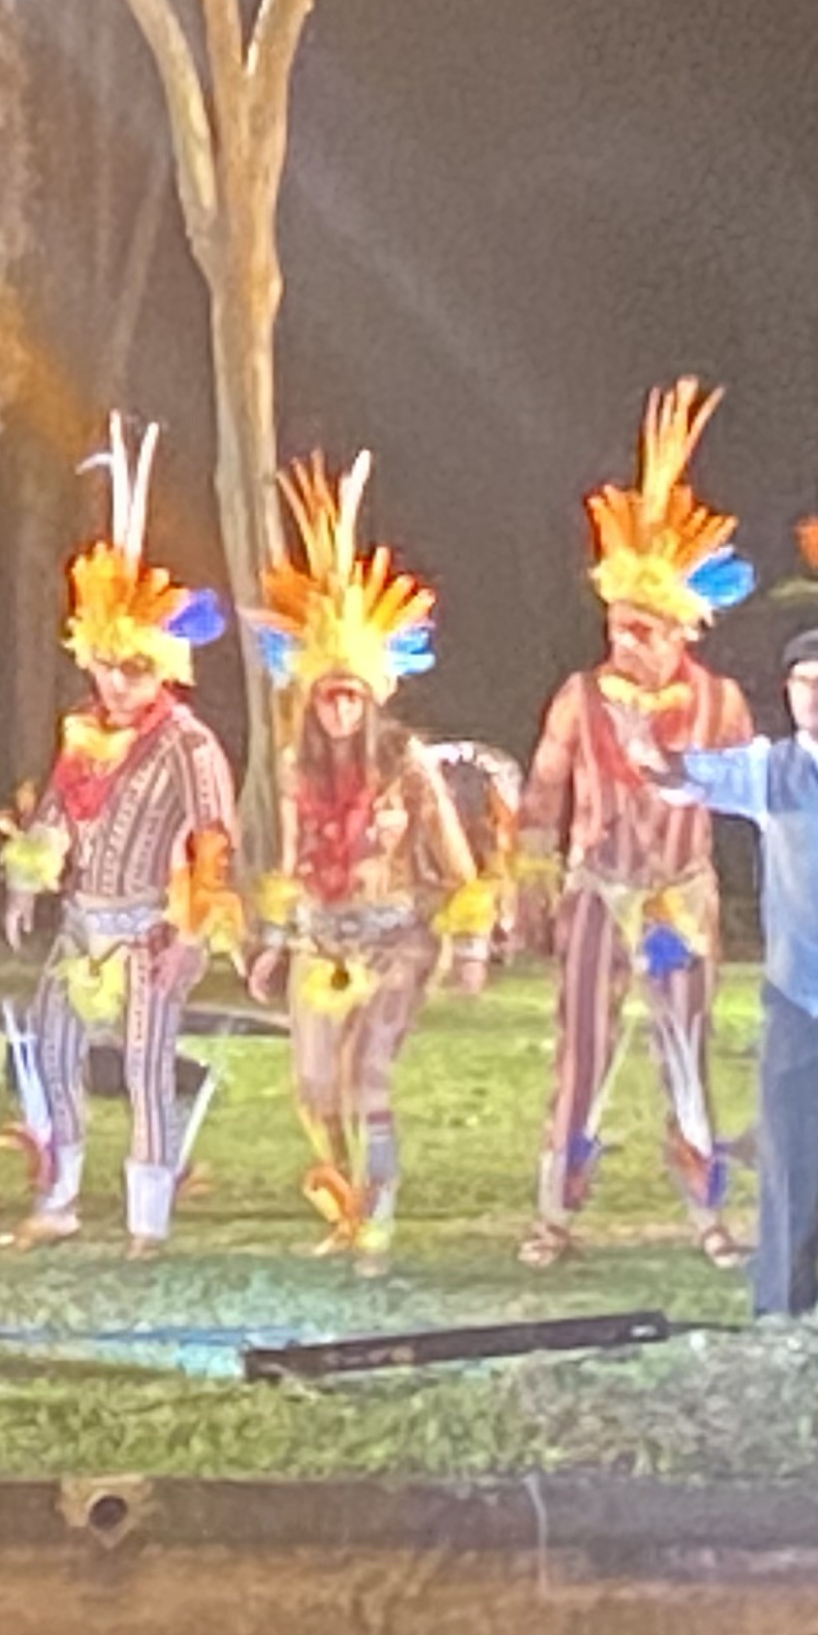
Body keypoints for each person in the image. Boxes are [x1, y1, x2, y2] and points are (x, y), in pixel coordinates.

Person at [515, 382, 757, 1267]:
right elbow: (543, 796)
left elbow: (751, 792)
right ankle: (554, 1215)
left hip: (678, 899)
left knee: (685, 1049)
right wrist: (528, 884)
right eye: (619, 627)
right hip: (596, 894)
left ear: (680, 632)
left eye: (644, 630)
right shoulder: (579, 697)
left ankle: (707, 1215)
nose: (626, 643)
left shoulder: (720, 702)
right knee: (582, 1051)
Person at [0, 418, 239, 1257]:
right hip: (82, 923)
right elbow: (56, 813)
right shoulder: (83, 733)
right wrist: (26, 882)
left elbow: (213, 841)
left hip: (149, 928)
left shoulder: (188, 743)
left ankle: (147, 1221)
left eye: (132, 668)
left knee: (143, 1065)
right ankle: (59, 1197)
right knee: (53, 1048)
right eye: (103, 665)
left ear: (162, 666)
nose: (116, 682)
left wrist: (192, 934)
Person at [246, 458, 491, 1274]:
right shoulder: (296, 768)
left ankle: (379, 1219)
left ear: (373, 696)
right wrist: (273, 943)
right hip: (321, 939)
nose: (342, 709)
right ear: (311, 699)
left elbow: (456, 858)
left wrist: (469, 945)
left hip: (395, 939)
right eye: (330, 696)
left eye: (354, 695)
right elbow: (289, 860)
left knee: (367, 1075)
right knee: (315, 1086)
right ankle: (348, 1203)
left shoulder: (405, 761)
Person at [637, 626, 818, 1321]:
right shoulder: (768, 769)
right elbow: (677, 775)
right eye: (802, 683)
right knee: (789, 1153)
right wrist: (648, 737)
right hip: (801, 991)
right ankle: (782, 1307)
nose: (812, 696)